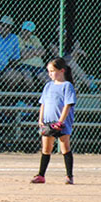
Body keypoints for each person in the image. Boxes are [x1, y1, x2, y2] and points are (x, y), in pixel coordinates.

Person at [31, 57, 76, 185]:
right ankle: (41, 175)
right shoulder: (48, 86)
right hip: (48, 121)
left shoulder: (67, 86)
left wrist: (60, 122)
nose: (50, 74)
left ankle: (69, 176)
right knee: (46, 149)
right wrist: (41, 119)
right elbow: (43, 104)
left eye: (52, 71)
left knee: (64, 147)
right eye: (49, 71)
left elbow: (68, 105)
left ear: (62, 71)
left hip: (61, 123)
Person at [13, 21, 47, 90]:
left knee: (47, 79)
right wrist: (36, 52)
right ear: (21, 29)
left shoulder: (34, 38)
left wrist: (29, 52)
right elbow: (22, 55)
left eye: (28, 31)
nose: (26, 33)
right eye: (24, 30)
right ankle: (29, 98)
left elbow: (43, 52)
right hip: (24, 65)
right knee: (28, 79)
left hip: (38, 66)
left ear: (31, 32)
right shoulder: (17, 38)